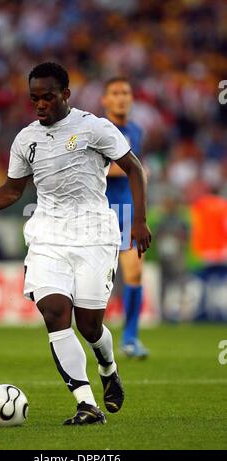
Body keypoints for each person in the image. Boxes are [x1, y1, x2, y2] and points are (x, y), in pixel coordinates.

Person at [0, 63, 151, 425]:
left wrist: (138, 221)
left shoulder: (94, 127)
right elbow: (14, 190)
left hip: (93, 233)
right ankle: (86, 403)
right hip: (47, 235)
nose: (40, 104)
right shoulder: (25, 139)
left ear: (65, 95)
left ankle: (108, 367)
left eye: (47, 97)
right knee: (55, 314)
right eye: (34, 98)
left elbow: (134, 167)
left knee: (89, 326)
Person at [102, 77, 150, 359]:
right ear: (105, 100)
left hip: (125, 212)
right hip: (96, 212)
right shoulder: (98, 130)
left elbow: (134, 172)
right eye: (115, 93)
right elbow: (100, 170)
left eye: (126, 92)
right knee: (92, 279)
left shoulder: (136, 130)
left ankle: (130, 338)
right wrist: (136, 171)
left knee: (134, 272)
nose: (121, 97)